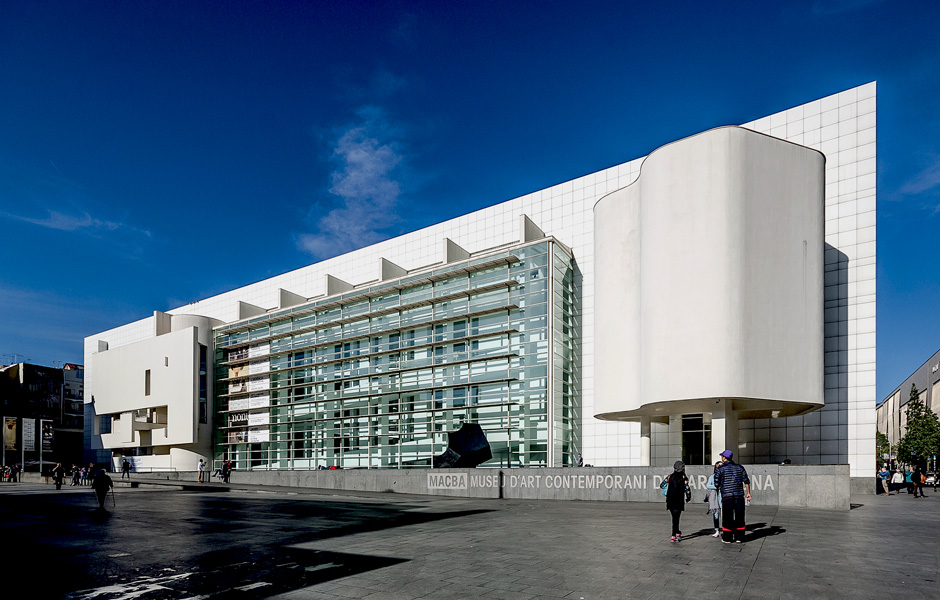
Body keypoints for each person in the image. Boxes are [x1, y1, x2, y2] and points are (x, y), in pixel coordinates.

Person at [714, 449, 751, 544]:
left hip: (727, 496)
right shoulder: (740, 467)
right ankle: (740, 537)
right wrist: (748, 493)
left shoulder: (720, 469)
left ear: (724, 457)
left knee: (727, 517)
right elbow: (746, 481)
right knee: (740, 516)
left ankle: (727, 537)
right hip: (739, 495)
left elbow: (716, 483)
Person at [665, 460, 692, 542]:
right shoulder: (684, 477)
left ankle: (676, 533)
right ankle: (675, 534)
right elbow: (687, 488)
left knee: (674, 518)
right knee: (676, 518)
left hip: (670, 500)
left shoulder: (670, 476)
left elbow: (662, 485)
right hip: (679, 500)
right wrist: (688, 497)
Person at [705, 461, 722, 537]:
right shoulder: (712, 476)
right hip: (715, 497)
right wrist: (717, 487)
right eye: (718, 466)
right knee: (716, 514)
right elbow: (708, 485)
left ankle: (726, 529)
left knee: (725, 515)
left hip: (723, 497)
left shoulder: (725, 476)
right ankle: (717, 530)